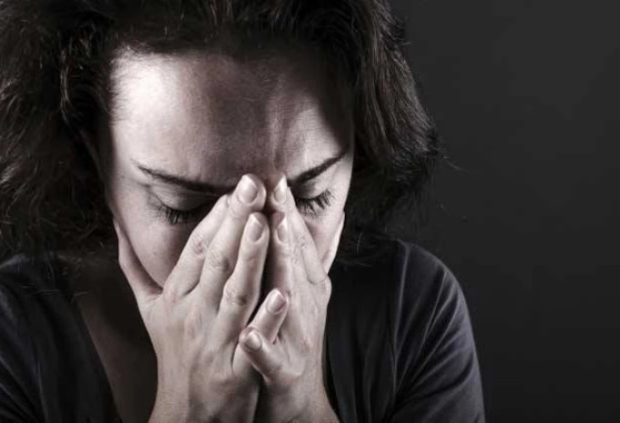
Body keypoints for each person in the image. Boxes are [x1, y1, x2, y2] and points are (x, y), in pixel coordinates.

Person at [0, 0, 485, 421]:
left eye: (310, 194)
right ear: (95, 157)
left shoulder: (412, 313)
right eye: (184, 206)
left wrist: (304, 410)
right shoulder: (13, 340)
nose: (258, 251)